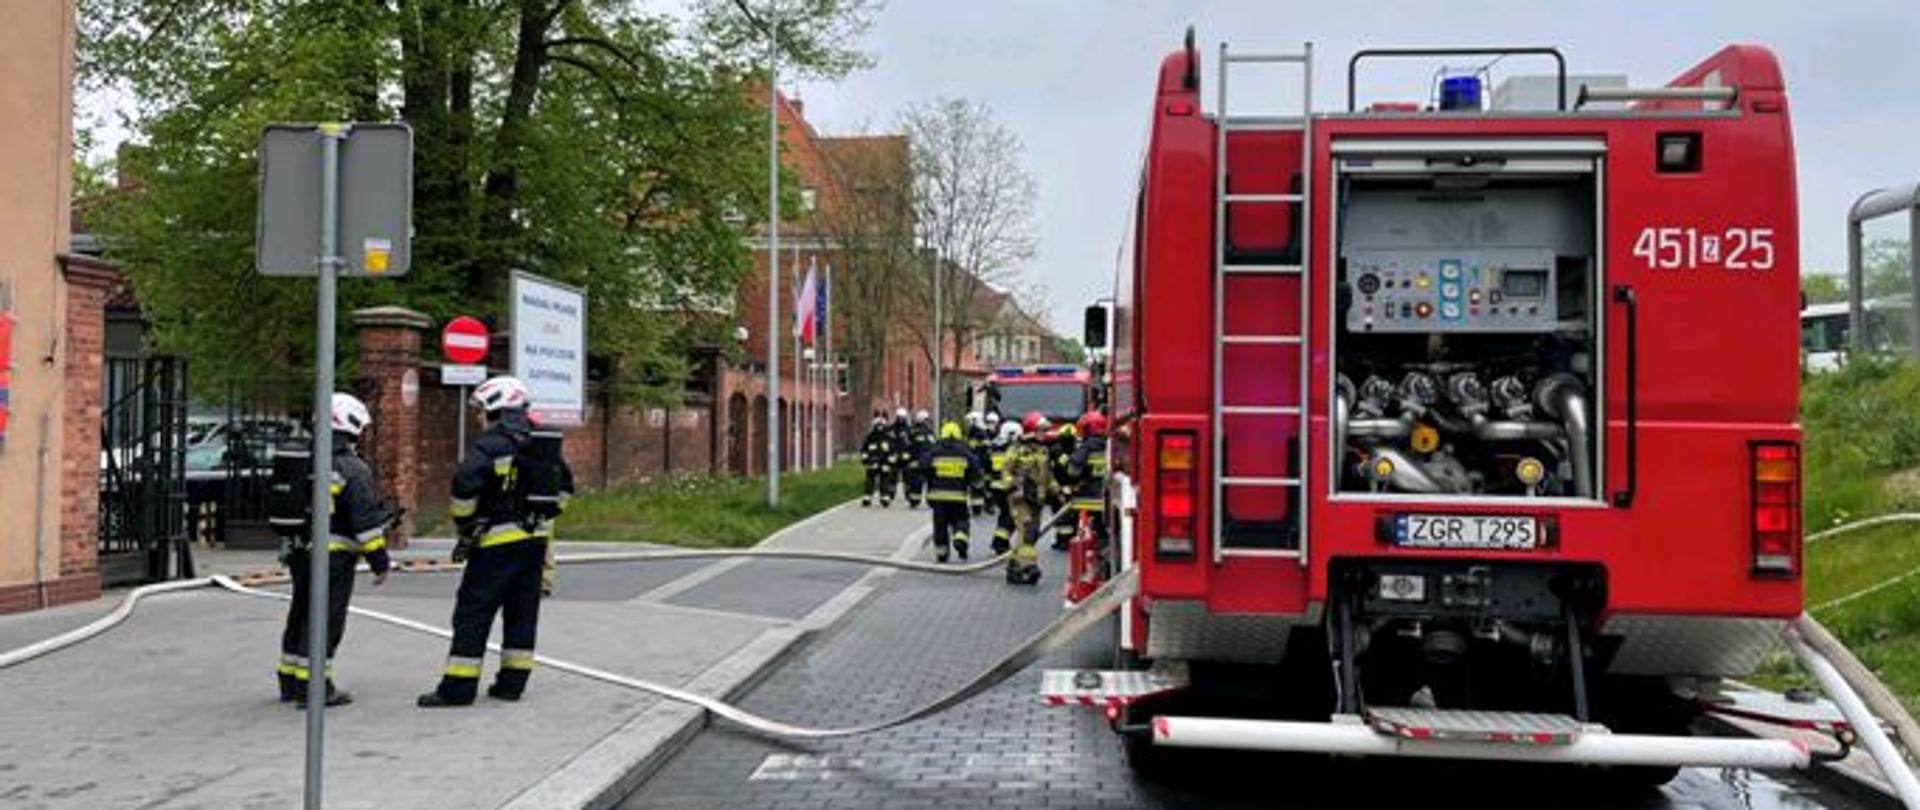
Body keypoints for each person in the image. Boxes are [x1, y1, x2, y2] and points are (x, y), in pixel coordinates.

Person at [419, 375, 572, 707]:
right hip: (534, 544)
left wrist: (467, 525)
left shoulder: (490, 445)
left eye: (480, 409)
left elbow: (464, 487)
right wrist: (541, 517)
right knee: (522, 614)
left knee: (473, 613)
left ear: (495, 409)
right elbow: (565, 489)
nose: (477, 417)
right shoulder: (542, 443)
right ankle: (512, 684)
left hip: (494, 545)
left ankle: (457, 689)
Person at [268, 392, 394, 708]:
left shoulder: (305, 459)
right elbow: (364, 523)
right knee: (325, 620)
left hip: (301, 552)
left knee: (301, 614)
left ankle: (290, 680)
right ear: (349, 426)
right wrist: (380, 561)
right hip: (334, 557)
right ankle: (315, 688)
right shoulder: (352, 468)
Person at [1002, 412, 1054, 585]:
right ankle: (1029, 567)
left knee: (1032, 533)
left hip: (1037, 500)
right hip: (1020, 499)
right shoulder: (1017, 449)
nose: (1043, 434)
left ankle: (1014, 567)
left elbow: (1047, 476)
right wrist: (1013, 486)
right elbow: (1006, 471)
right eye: (1040, 430)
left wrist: (1060, 491)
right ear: (1031, 430)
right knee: (1027, 531)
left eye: (1044, 430)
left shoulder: (1043, 450)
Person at [921, 421, 982, 563]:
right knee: (961, 520)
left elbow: (923, 466)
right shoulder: (965, 453)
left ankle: (942, 553)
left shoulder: (935, 451)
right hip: (959, 498)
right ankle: (960, 537)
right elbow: (975, 470)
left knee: (940, 526)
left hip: (938, 498)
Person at [1066, 411, 1110, 550]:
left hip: (1090, 496)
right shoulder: (1109, 442)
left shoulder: (1088, 445)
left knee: (1093, 525)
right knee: (1103, 527)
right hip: (1107, 495)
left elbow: (1074, 468)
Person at [986, 420, 1021, 554]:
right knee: (1011, 516)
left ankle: (1001, 542)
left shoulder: (994, 445)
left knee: (1005, 514)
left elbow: (986, 465)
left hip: (995, 487)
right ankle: (999, 542)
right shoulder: (1012, 448)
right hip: (1008, 487)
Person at [1047, 422, 1080, 550]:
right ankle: (1066, 540)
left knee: (1061, 515)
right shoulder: (1075, 450)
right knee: (1067, 515)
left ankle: (1063, 541)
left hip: (1061, 486)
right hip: (1066, 486)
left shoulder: (1056, 449)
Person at [900, 409, 934, 508]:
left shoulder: (913, 432)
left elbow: (907, 447)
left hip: (918, 462)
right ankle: (929, 501)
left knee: (917, 482)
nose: (928, 422)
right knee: (929, 482)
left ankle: (915, 501)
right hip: (927, 461)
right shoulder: (930, 433)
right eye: (927, 420)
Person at [860, 415, 895, 507]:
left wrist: (889, 462)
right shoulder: (870, 437)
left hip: (884, 463)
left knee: (885, 481)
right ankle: (867, 498)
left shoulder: (888, 437)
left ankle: (884, 498)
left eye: (881, 425)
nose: (880, 427)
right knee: (869, 481)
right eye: (877, 425)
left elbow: (892, 451)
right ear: (874, 426)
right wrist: (865, 460)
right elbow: (864, 450)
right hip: (872, 463)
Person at [964, 411, 992, 516]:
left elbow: (985, 452)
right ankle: (977, 506)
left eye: (969, 421)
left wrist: (981, 466)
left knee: (978, 486)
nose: (967, 424)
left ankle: (979, 507)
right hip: (972, 464)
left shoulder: (981, 434)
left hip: (978, 464)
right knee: (974, 486)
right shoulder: (971, 433)